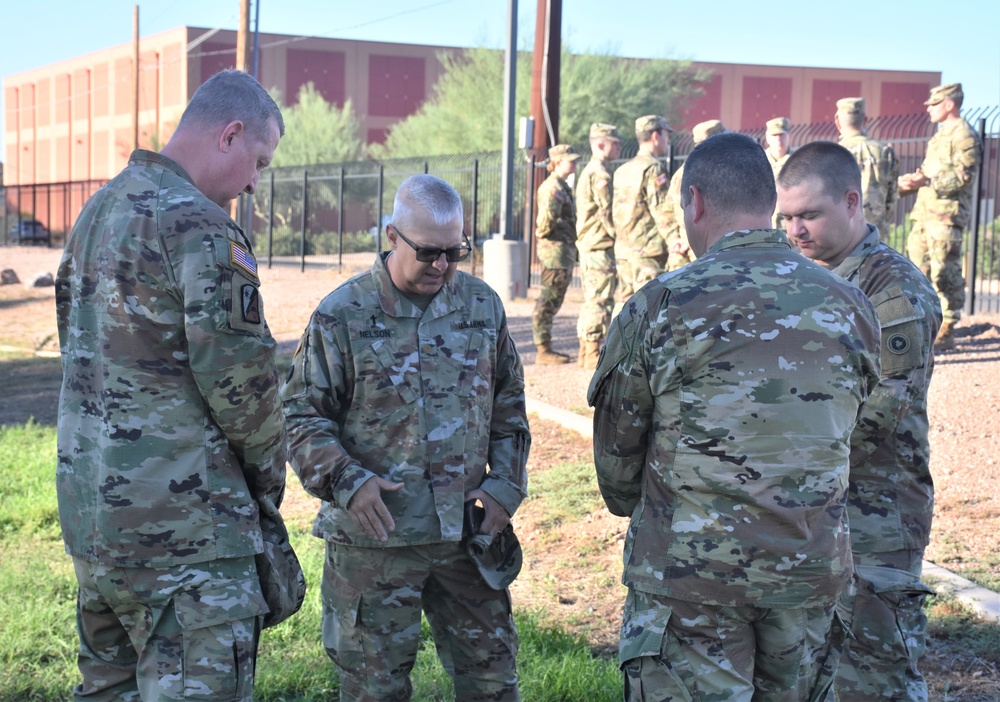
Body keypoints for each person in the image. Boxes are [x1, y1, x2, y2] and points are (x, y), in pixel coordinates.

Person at [588, 132, 881, 701]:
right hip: (809, 573)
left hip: (692, 581)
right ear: (769, 202)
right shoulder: (848, 303)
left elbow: (617, 464)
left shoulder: (660, 304)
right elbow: (858, 432)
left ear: (694, 202)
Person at [55, 69, 288, 699]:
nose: (252, 183)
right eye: (257, 163)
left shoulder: (98, 211)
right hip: (188, 540)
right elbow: (243, 387)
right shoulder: (201, 227)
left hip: (97, 525)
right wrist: (269, 478)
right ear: (229, 134)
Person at [281, 174, 531, 701]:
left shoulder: (482, 308)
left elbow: (509, 407)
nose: (441, 265)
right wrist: (347, 479)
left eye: (454, 251)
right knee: (374, 689)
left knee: (492, 683)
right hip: (377, 544)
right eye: (428, 252)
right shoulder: (342, 314)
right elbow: (300, 416)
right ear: (393, 236)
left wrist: (505, 485)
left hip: (467, 537)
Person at [777, 141, 942, 701]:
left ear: (852, 202)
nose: (796, 230)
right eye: (788, 218)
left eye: (809, 215)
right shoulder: (813, 277)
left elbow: (882, 409)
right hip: (818, 503)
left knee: (879, 670)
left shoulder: (891, 289)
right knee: (817, 666)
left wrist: (786, 459)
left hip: (875, 509)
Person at [899, 83, 983, 351]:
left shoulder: (965, 136)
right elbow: (926, 174)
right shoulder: (939, 136)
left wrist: (929, 181)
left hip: (946, 218)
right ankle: (924, 323)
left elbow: (964, 176)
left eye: (934, 104)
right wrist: (912, 182)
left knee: (945, 272)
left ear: (949, 104)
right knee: (917, 271)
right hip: (924, 215)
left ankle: (948, 326)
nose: (929, 109)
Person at [612, 114, 675, 303]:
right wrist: (674, 240)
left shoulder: (622, 170)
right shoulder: (654, 169)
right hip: (648, 252)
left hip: (624, 251)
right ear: (655, 136)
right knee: (647, 309)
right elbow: (662, 210)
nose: (668, 140)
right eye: (666, 134)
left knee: (624, 307)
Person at [575, 122, 621, 369]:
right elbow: (607, 212)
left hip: (590, 244)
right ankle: (591, 351)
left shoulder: (590, 170)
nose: (619, 148)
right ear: (601, 144)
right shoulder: (600, 173)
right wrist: (620, 237)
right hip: (599, 243)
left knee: (593, 297)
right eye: (615, 143)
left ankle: (586, 350)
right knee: (599, 298)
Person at [533, 143, 581, 364]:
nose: (574, 163)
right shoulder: (553, 187)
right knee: (548, 299)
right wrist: (543, 233)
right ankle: (543, 349)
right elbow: (545, 222)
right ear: (558, 162)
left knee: (554, 297)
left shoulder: (561, 185)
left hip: (562, 250)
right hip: (555, 251)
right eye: (570, 159)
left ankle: (545, 346)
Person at [835, 97, 899, 243]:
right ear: (865, 120)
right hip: (875, 230)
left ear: (837, 122)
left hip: (842, 230)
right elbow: (892, 196)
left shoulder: (832, 153)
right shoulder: (885, 152)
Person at [666, 118, 726, 271]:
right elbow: (667, 210)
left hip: (700, 251)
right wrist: (677, 240)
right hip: (696, 255)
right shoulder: (688, 174)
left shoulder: (685, 172)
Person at [764, 117, 794, 229]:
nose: (778, 139)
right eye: (774, 135)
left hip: (789, 225)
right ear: (767, 138)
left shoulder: (799, 160)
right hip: (765, 224)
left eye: (782, 135)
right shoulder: (759, 160)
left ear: (789, 136)